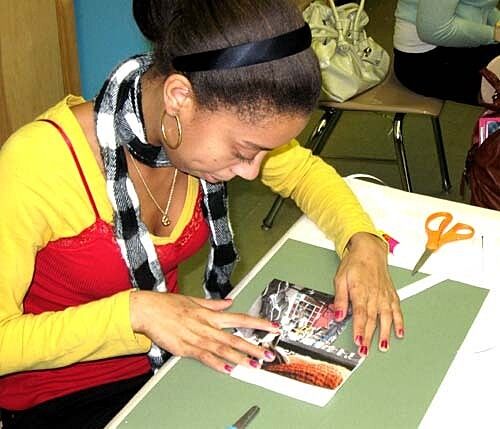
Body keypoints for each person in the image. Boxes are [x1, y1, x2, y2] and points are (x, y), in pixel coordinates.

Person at [0, 0, 404, 427]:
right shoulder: (38, 164)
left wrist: (363, 242)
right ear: (179, 97)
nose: (252, 170)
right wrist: (136, 312)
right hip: (58, 392)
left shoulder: (190, 128)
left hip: (168, 358)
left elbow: (305, 173)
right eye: (244, 151)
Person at [393, 0, 500, 105]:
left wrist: (497, 23)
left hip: (448, 42)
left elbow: (479, 4)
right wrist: (493, 34)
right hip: (422, 61)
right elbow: (434, 31)